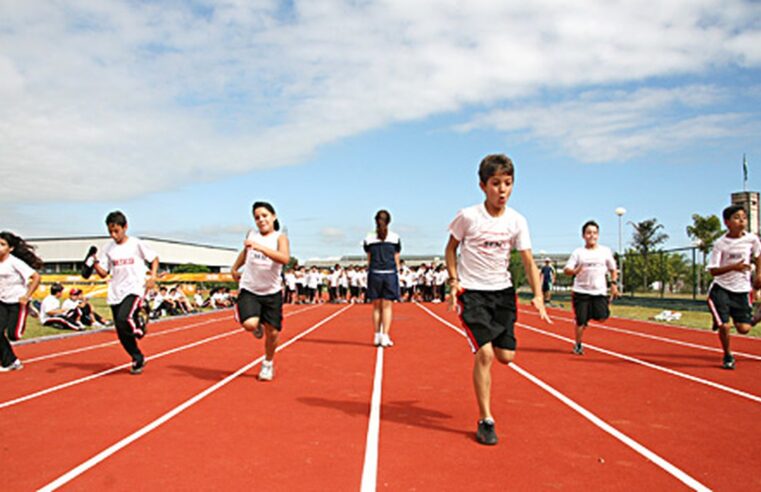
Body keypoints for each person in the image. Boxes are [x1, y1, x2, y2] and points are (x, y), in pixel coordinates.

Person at [445, 153, 551, 446]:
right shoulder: (468, 217)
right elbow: (450, 249)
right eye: (495, 183)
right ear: (483, 186)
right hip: (473, 293)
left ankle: (487, 407)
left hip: (503, 293)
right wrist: (454, 281)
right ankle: (486, 419)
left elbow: (528, 260)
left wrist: (539, 296)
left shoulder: (518, 221)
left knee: (506, 357)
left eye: (508, 183)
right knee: (485, 354)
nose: (502, 190)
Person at [91, 211, 159, 375]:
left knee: (124, 318)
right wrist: (94, 263)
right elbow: (104, 273)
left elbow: (154, 258)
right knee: (121, 331)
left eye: (117, 231)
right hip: (116, 291)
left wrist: (153, 277)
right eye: (110, 232)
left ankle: (140, 327)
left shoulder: (136, 244)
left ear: (125, 227)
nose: (114, 235)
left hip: (134, 288)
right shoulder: (108, 248)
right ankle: (137, 357)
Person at [231, 201, 290, 382]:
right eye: (257, 217)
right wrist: (235, 268)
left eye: (264, 216)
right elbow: (245, 252)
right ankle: (255, 323)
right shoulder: (251, 234)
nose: (261, 220)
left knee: (272, 333)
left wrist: (262, 248)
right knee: (249, 324)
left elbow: (284, 258)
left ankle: (268, 363)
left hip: (271, 291)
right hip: (250, 288)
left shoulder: (280, 238)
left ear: (273, 217)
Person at [706, 205, 761, 370]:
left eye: (744, 218)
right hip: (721, 288)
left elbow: (758, 257)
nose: (742, 221)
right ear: (727, 222)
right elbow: (713, 271)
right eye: (737, 218)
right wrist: (733, 267)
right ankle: (728, 355)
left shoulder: (752, 240)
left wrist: (759, 274)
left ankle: (758, 316)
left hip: (742, 289)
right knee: (725, 326)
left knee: (744, 329)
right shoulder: (720, 244)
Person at [563, 221, 619, 355]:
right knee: (580, 321)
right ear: (583, 235)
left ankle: (589, 315)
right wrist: (575, 270)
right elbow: (566, 269)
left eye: (594, 233)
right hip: (581, 291)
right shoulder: (578, 252)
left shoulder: (605, 251)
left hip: (599, 291)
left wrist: (614, 284)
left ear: (598, 235)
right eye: (589, 233)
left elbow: (613, 269)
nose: (591, 235)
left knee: (602, 317)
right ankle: (578, 344)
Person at [0, 231, 42, 372]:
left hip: (17, 301)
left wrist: (27, 295)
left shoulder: (15, 262)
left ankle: (28, 310)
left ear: (10, 248)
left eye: (2, 245)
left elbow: (36, 277)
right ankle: (11, 362)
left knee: (14, 335)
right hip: (2, 301)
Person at [364, 209, 402, 348]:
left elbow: (369, 258)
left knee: (376, 307)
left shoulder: (369, 238)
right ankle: (385, 336)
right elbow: (396, 257)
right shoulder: (395, 237)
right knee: (387, 307)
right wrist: (397, 272)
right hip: (389, 273)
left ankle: (377, 335)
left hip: (374, 273)